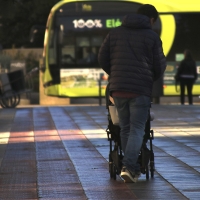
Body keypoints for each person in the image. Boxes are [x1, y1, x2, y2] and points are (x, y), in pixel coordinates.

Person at [98, 4, 166, 183]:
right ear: (151, 19)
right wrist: (150, 78)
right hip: (140, 89)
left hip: (118, 89)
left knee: (126, 127)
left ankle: (129, 166)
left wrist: (115, 74)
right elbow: (159, 65)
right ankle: (129, 166)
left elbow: (102, 57)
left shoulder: (114, 33)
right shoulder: (152, 36)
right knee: (137, 128)